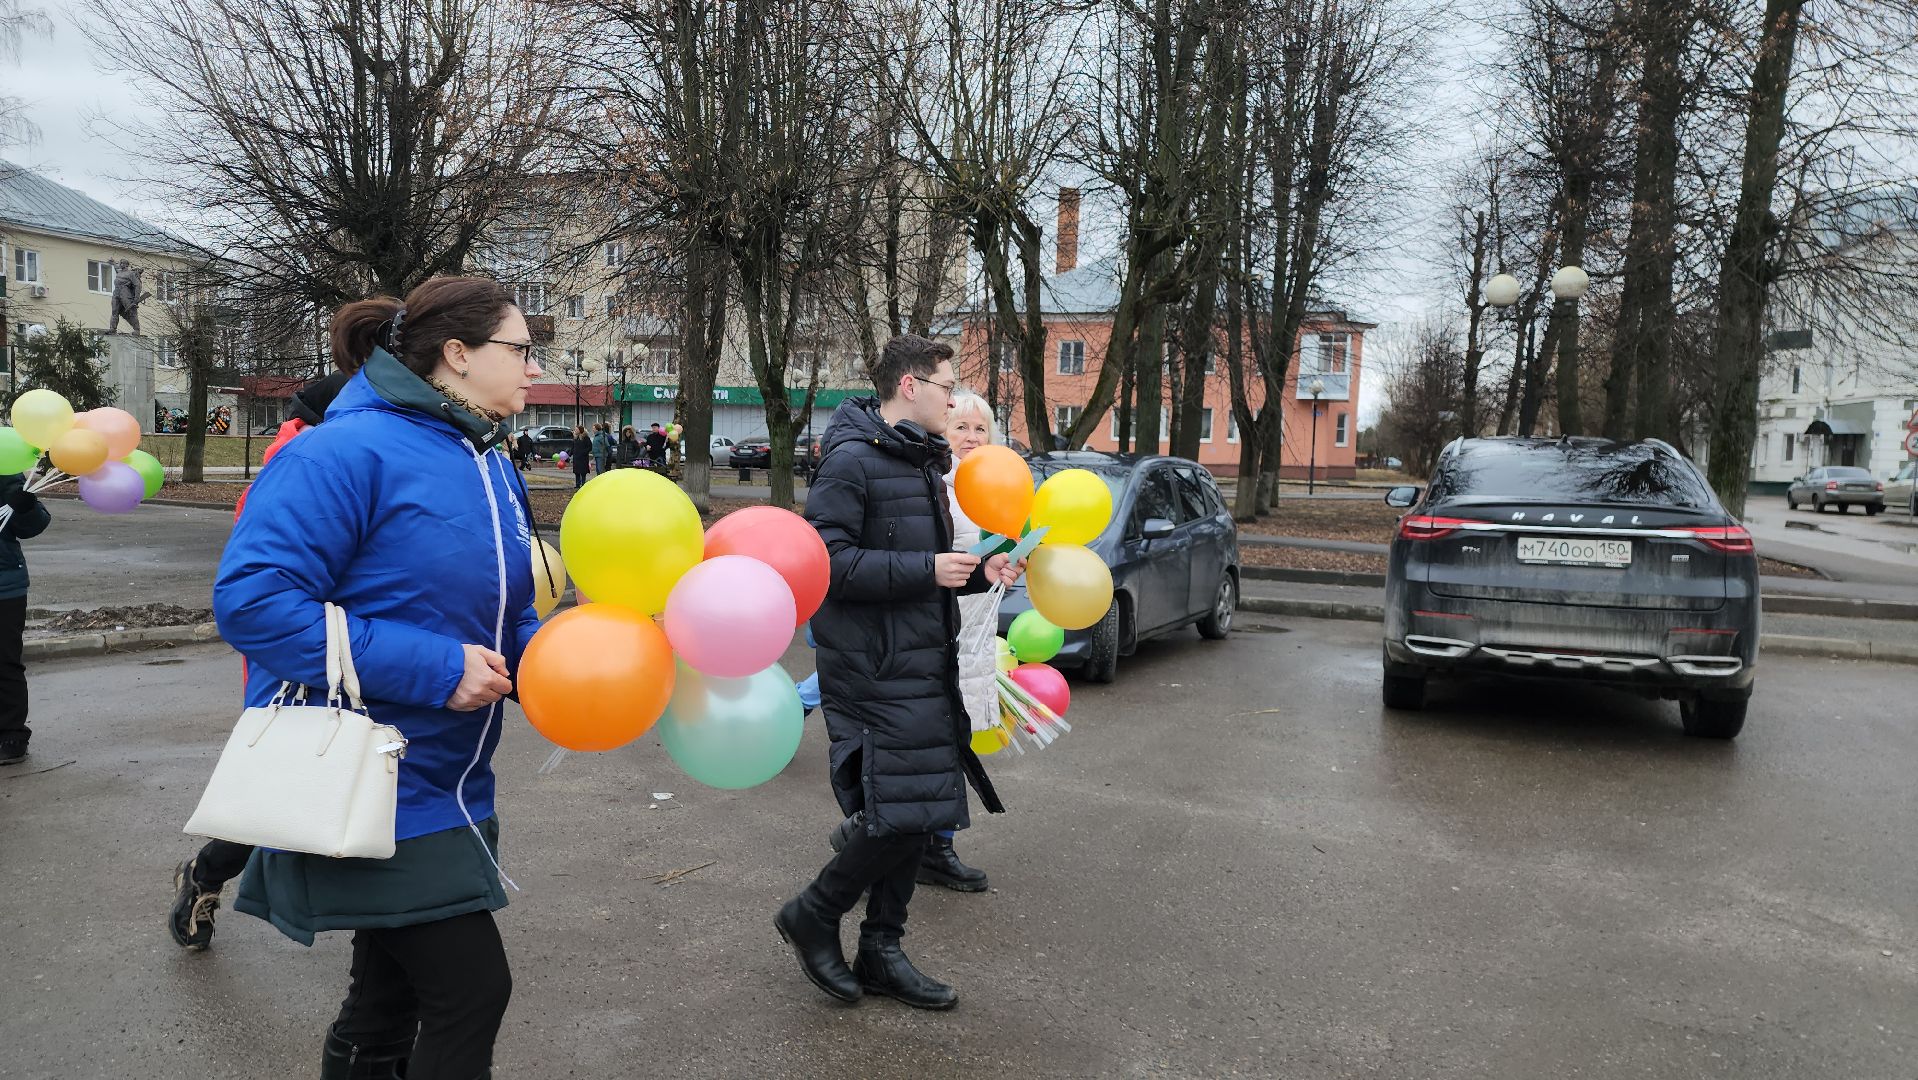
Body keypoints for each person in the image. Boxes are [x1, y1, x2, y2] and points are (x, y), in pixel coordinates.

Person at [212, 275, 542, 1079]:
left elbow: (497, 608)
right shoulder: (340, 450)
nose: (535, 369)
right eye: (522, 350)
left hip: (450, 775)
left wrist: (556, 661)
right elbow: (252, 605)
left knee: (386, 999)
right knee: (472, 992)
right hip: (375, 770)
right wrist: (437, 669)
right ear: (458, 356)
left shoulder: (486, 460)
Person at [774, 334, 1020, 1011]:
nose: (954, 397)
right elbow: (826, 566)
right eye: (947, 384)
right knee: (903, 813)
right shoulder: (852, 461)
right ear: (910, 386)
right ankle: (815, 911)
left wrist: (977, 576)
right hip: (871, 664)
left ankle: (882, 948)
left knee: (920, 806)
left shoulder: (920, 460)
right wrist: (927, 570)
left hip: (918, 658)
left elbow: (930, 569)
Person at [169, 366, 358, 950]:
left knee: (356, 790)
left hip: (363, 655)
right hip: (303, 663)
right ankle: (204, 874)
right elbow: (262, 595)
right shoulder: (296, 468)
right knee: (283, 795)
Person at [918, 388, 1000, 893]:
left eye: (981, 428)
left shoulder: (998, 481)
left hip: (977, 622)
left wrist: (1014, 559)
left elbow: (1006, 542)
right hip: (938, 619)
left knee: (956, 734)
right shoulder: (932, 481)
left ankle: (937, 844)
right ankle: (883, 835)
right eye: (961, 427)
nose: (971, 438)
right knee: (933, 735)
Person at [0, 472, 51, 767]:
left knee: (4, 661)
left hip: (4, 585)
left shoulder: (4, 468)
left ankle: (11, 736)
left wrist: (24, 506)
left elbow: (35, 523)